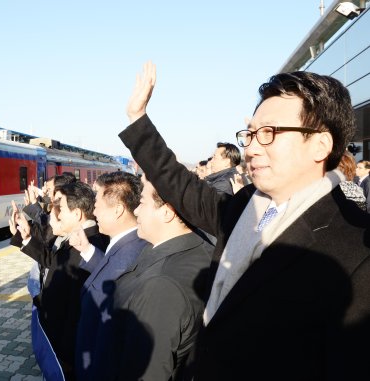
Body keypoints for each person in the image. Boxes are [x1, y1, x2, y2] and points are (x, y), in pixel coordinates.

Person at [119, 61, 370, 380]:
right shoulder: (246, 206)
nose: (250, 148)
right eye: (249, 134)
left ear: (320, 144)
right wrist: (137, 119)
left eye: (269, 133)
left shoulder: (355, 253)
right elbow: (180, 186)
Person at [90, 175, 211, 380]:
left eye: (143, 202)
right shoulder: (200, 247)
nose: (135, 210)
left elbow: (147, 372)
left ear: (167, 212)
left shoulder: (161, 287)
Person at [10, 181, 109, 380]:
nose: (57, 214)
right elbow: (51, 262)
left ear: (77, 213)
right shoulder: (82, 241)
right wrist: (26, 237)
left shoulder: (87, 249)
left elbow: (70, 308)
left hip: (66, 354)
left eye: (61, 208)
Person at [68, 171, 147, 381]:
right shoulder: (128, 244)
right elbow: (108, 268)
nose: (93, 211)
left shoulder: (131, 256)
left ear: (118, 210)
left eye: (98, 205)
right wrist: (87, 250)